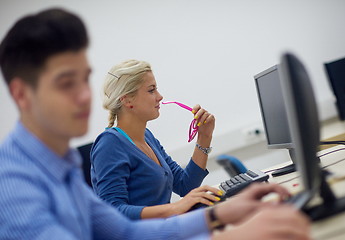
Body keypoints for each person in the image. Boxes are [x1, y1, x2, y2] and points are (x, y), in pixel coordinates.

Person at [0, 7, 311, 240]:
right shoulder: (13, 185)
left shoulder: (60, 163)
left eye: (85, 80)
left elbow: (123, 231)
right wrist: (228, 234)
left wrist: (218, 214)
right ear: (21, 94)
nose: (84, 96)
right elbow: (125, 216)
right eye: (67, 83)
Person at [91, 59, 220, 220]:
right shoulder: (109, 144)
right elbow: (114, 212)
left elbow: (185, 185)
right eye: (151, 90)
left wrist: (204, 136)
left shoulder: (147, 136)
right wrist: (174, 208)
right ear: (127, 100)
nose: (160, 96)